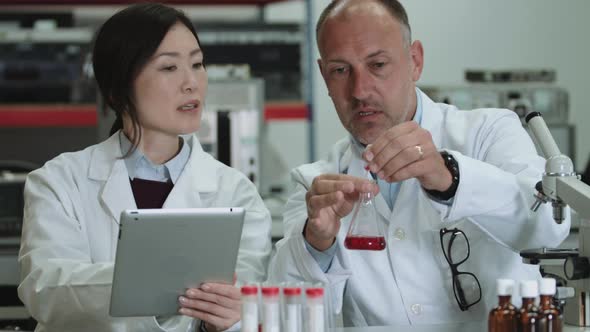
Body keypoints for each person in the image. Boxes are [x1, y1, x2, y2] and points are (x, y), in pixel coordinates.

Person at [268, 0, 570, 327]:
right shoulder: (315, 184)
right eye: (341, 70)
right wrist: (316, 243)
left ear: (414, 61)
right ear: (325, 77)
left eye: (378, 64)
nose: (359, 90)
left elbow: (549, 228)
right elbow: (283, 312)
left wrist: (450, 179)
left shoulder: (488, 133)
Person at [18, 3, 271, 332]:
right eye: (169, 68)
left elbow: (242, 304)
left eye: (197, 64)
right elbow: (46, 289)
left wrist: (224, 320)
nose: (191, 83)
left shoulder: (236, 192)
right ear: (118, 88)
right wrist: (160, 280)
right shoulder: (60, 182)